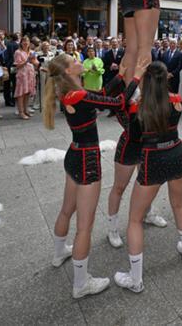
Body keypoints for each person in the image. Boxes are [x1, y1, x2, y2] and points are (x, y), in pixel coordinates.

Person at [43, 53, 131, 297]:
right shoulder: (78, 94)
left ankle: (59, 253)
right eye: (74, 61)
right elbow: (117, 103)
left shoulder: (69, 92)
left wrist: (120, 76)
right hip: (87, 160)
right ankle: (81, 284)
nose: (79, 61)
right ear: (68, 71)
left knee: (66, 210)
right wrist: (135, 79)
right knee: (85, 226)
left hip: (74, 154)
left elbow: (100, 96)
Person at [112, 60, 182, 293]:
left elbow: (133, 134)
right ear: (167, 78)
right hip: (177, 153)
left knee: (135, 219)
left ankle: (135, 279)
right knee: (179, 205)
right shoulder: (177, 100)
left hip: (153, 159)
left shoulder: (139, 107)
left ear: (146, 80)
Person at [13, 36, 38, 119]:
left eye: (27, 41)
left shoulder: (32, 52)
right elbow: (17, 66)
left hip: (30, 75)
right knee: (21, 93)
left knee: (27, 92)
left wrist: (37, 62)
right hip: (22, 75)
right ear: (21, 43)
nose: (25, 43)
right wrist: (27, 60)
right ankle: (21, 112)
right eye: (24, 41)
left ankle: (25, 110)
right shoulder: (18, 52)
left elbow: (35, 63)